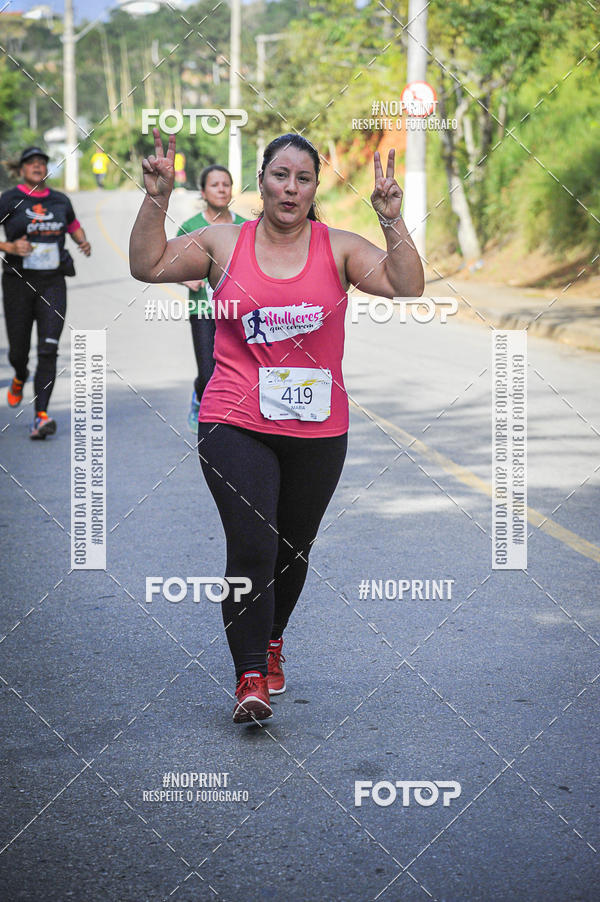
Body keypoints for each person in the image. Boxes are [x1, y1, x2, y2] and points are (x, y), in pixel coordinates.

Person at [130, 130, 424, 724]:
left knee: (292, 550)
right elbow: (148, 265)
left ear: (315, 188)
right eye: (280, 175)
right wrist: (156, 197)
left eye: (304, 178)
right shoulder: (219, 241)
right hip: (234, 417)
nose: (291, 188)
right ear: (260, 180)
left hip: (317, 429)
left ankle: (271, 638)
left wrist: (392, 220)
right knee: (254, 544)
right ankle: (249, 677)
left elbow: (408, 285)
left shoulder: (339, 247)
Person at [0, 146, 91, 438]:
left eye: (42, 163)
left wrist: (82, 242)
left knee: (48, 348)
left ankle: (41, 415)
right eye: (32, 163)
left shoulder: (59, 200)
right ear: (22, 169)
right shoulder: (10, 199)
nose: (38, 167)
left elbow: (74, 226)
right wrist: (10, 247)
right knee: (18, 351)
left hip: (53, 283)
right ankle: (19, 375)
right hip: (17, 282)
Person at [176, 164, 246, 431]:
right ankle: (199, 396)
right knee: (208, 373)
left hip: (239, 312)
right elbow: (170, 264)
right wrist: (186, 278)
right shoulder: (190, 227)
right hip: (203, 310)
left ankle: (232, 421)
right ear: (203, 192)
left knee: (237, 369)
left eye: (225, 185)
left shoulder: (246, 227)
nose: (221, 189)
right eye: (215, 185)